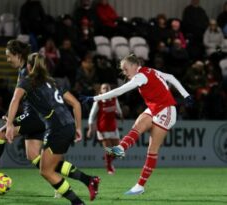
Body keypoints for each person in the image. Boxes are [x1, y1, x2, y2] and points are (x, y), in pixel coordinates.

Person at [0, 40, 99, 200]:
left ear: (18, 56)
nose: (7, 60)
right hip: (52, 121)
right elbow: (61, 102)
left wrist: (10, 123)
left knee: (1, 135)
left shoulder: (26, 75)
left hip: (39, 119)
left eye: (9, 56)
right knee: (34, 157)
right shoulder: (48, 79)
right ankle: (85, 180)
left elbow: (16, 100)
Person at [80, 54, 193, 195]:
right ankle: (120, 148)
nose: (125, 73)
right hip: (154, 108)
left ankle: (140, 186)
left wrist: (94, 98)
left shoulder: (140, 76)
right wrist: (186, 95)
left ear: (134, 66)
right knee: (138, 124)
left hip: (167, 110)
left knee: (152, 150)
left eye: (126, 69)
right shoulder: (150, 70)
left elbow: (119, 91)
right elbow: (170, 77)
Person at [6, 53, 100, 204]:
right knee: (49, 165)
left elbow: (15, 100)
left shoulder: (27, 81)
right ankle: (89, 180)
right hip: (67, 125)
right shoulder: (54, 82)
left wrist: (10, 124)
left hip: (57, 129)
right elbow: (75, 104)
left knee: (46, 171)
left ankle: (77, 201)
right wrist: (78, 128)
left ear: (29, 67)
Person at [87, 83, 122, 175]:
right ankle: (109, 167)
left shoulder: (114, 98)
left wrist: (120, 114)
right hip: (102, 128)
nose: (106, 90)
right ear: (101, 91)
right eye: (104, 88)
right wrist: (90, 128)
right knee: (109, 149)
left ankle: (108, 160)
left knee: (118, 152)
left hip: (113, 127)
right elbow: (91, 115)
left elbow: (118, 109)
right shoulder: (98, 101)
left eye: (108, 88)